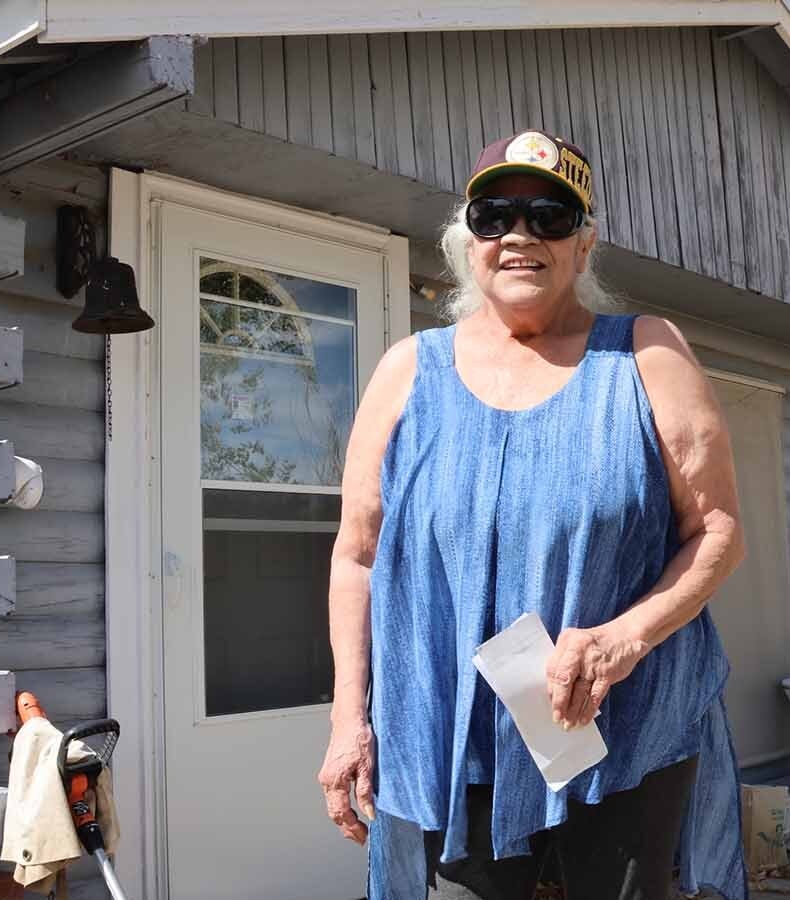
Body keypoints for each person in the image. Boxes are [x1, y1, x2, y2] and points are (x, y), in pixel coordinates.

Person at [319, 129, 750, 900]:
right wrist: (350, 718)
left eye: (551, 216)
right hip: (455, 737)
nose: (521, 235)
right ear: (467, 241)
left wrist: (625, 637)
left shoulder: (646, 354)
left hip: (618, 730)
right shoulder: (407, 371)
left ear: (585, 244)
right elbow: (357, 555)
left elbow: (717, 531)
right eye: (496, 216)